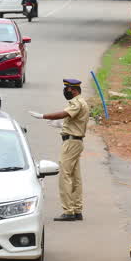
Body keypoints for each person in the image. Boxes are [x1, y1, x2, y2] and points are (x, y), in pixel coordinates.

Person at [29, 79, 89, 221]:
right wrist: (61, 126)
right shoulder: (82, 102)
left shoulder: (76, 102)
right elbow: (74, 121)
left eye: (67, 89)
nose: (65, 91)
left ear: (74, 90)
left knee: (65, 176)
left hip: (71, 143)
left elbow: (64, 114)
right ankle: (77, 209)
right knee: (75, 177)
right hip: (75, 141)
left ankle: (68, 211)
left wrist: (43, 116)